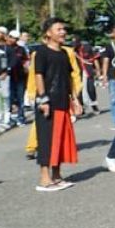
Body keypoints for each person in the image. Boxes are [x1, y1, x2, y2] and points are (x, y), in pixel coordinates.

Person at [33, 17, 81, 191]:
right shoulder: (41, 52)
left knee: (59, 140)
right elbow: (39, 76)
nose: (63, 32)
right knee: (47, 141)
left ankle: (57, 175)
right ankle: (44, 180)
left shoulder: (64, 53)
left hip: (62, 101)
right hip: (48, 103)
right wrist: (43, 98)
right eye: (59, 29)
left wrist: (74, 99)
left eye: (64, 29)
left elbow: (68, 77)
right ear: (48, 33)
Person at [6, 30, 28, 126]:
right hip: (8, 77)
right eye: (11, 37)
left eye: (14, 38)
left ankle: (21, 117)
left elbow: (26, 61)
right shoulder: (5, 48)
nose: (12, 39)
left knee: (20, 98)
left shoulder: (21, 49)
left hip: (20, 77)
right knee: (9, 98)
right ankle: (9, 117)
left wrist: (26, 68)